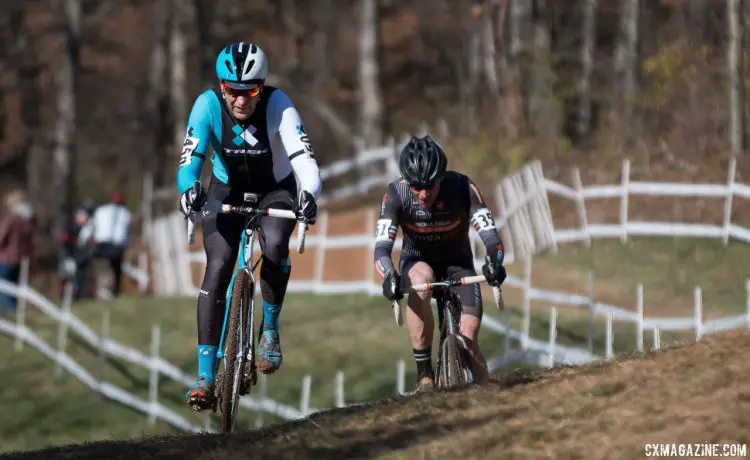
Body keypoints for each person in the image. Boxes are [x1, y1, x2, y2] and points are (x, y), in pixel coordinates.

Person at [177, 41, 322, 411]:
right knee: (219, 266)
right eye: (233, 91)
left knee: (274, 244)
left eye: (250, 91)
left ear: (262, 87)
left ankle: (269, 330)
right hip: (226, 189)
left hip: (275, 189)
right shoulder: (206, 106)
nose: (241, 100)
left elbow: (304, 159)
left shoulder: (279, 105)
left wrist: (309, 193)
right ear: (221, 87)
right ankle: (206, 375)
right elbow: (190, 161)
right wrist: (189, 189)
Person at [373, 135, 507, 392]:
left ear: (442, 178)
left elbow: (492, 237)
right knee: (420, 283)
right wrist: (390, 276)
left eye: (430, 186)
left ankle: (488, 400)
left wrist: (494, 262)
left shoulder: (462, 187)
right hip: (417, 262)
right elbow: (381, 249)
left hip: (459, 264)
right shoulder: (395, 194)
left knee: (469, 338)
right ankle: (425, 375)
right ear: (406, 181)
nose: (423, 194)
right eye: (415, 186)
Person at [77, 192, 132, 298]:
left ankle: (85, 290)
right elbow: (127, 234)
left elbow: (90, 226)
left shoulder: (101, 210)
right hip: (117, 248)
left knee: (87, 263)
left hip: (102, 246)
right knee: (117, 269)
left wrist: (82, 241)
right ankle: (115, 291)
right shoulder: (126, 214)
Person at [0, 189, 37, 314]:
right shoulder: (30, 220)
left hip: (6, 259)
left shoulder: (11, 219)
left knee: (6, 288)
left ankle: (11, 312)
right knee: (17, 288)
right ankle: (18, 311)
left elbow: (2, 237)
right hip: (23, 259)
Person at [57, 200, 94, 299]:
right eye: (85, 215)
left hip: (81, 259)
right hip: (68, 256)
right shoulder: (68, 223)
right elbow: (64, 240)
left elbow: (89, 246)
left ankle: (78, 297)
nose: (86, 218)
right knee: (66, 278)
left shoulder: (88, 228)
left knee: (81, 281)